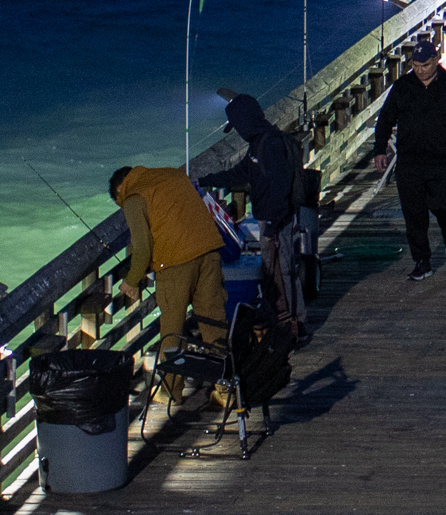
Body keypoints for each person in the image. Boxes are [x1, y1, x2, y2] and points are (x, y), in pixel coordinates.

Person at [108, 161, 230, 389]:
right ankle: (224, 387)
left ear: (119, 189)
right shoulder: (174, 175)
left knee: (172, 331)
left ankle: (172, 392)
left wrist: (131, 281)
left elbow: (142, 248)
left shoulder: (133, 198)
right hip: (209, 251)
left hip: (175, 263)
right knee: (213, 323)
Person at [198, 91, 303, 339]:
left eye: (237, 125)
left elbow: (280, 185)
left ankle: (293, 326)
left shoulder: (270, 144)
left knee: (282, 273)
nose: (238, 131)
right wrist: (205, 181)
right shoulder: (258, 143)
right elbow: (240, 173)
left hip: (276, 221)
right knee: (273, 273)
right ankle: (284, 321)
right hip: (268, 218)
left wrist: (273, 225)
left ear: (245, 120)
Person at [373, 39, 446, 277]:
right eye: (416, 65)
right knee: (413, 213)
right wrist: (379, 150)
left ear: (436, 60)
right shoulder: (403, 87)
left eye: (425, 65)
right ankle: (422, 260)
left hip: (442, 159)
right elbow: (385, 119)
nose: (420, 70)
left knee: (444, 206)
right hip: (409, 161)